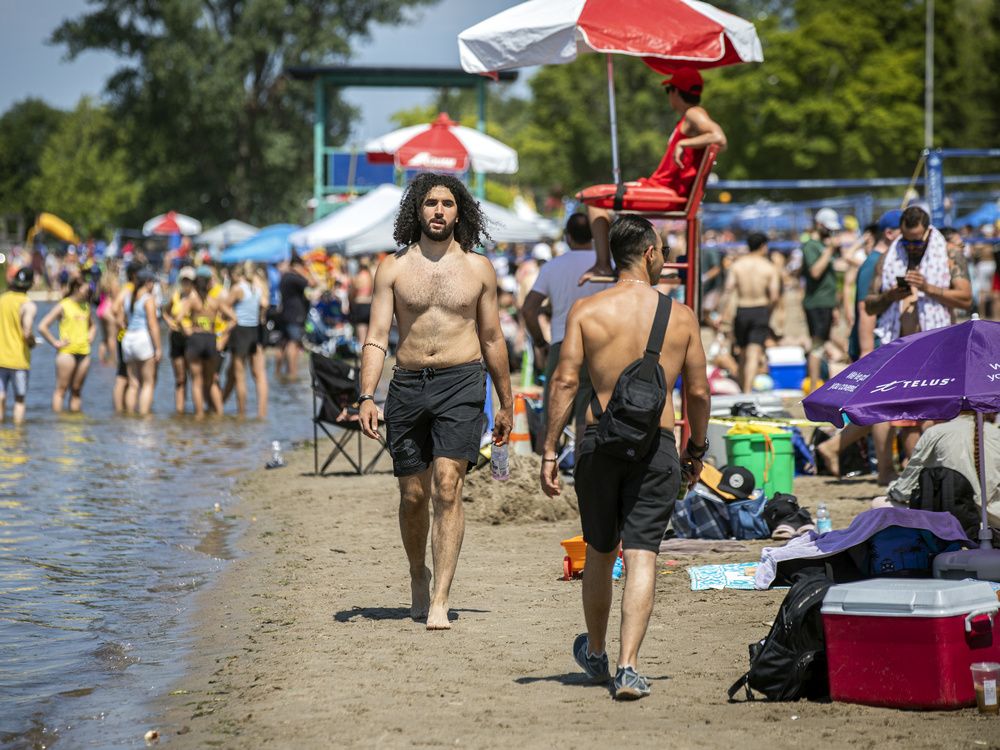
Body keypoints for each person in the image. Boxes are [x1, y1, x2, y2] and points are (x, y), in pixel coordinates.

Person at [540, 215, 710, 700]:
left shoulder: (587, 310)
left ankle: (594, 652)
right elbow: (697, 391)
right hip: (656, 446)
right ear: (651, 254)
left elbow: (566, 382)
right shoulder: (680, 316)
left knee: (599, 550)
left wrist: (550, 449)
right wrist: (695, 449)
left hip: (599, 442)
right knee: (642, 556)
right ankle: (629, 667)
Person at [357, 172, 513, 631]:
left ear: (459, 210)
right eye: (430, 203)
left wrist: (507, 400)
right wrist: (367, 394)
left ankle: (442, 597)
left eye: (447, 203)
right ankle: (417, 575)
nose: (439, 211)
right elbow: (375, 337)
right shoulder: (393, 267)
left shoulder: (479, 268)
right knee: (412, 495)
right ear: (417, 211)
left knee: (448, 484)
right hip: (406, 384)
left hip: (462, 382)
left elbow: (491, 336)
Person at [583, 67, 727, 282]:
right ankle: (616, 262)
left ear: (676, 92)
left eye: (669, 89)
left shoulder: (693, 113)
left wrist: (684, 142)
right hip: (662, 188)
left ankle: (603, 265)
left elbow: (719, 138)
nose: (668, 94)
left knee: (593, 199)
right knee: (601, 198)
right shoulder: (689, 117)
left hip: (667, 192)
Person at [865, 205, 973, 460]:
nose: (912, 247)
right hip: (901, 347)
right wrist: (891, 295)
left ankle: (934, 468)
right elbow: (869, 305)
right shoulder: (888, 256)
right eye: (907, 241)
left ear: (928, 233)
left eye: (917, 241)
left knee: (937, 412)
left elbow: (966, 299)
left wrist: (928, 287)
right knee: (904, 417)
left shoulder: (949, 254)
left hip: (939, 346)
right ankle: (902, 471)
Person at [819, 210, 902, 485]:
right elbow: (865, 307)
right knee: (881, 408)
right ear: (890, 234)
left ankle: (834, 447)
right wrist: (868, 350)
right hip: (873, 343)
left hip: (876, 341)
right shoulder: (874, 263)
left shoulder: (879, 260)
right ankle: (883, 469)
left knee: (877, 407)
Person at [521, 214, 611, 444]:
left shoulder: (553, 266)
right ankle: (581, 476)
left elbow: (529, 309)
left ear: (568, 237)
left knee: (551, 418)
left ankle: (540, 471)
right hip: (599, 347)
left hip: (562, 343)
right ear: (593, 237)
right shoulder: (608, 266)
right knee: (586, 420)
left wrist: (541, 343)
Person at [722, 232, 780, 393]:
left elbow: (728, 290)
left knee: (742, 352)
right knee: (754, 353)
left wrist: (721, 313)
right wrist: (769, 311)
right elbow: (774, 296)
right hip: (760, 309)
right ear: (763, 246)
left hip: (742, 310)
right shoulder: (769, 267)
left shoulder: (738, 265)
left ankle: (742, 389)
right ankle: (747, 392)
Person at [37, 277, 96, 413]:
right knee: (61, 389)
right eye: (86, 289)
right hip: (67, 353)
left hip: (84, 352)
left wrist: (91, 334)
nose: (88, 293)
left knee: (76, 390)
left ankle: (75, 424)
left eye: (90, 290)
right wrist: (55, 343)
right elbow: (42, 326)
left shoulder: (86, 306)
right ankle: (59, 423)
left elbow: (93, 326)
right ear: (76, 288)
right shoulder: (64, 305)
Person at [182, 267, 235, 418]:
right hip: (211, 339)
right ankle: (219, 415)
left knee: (197, 382)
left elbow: (179, 317)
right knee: (212, 381)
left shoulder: (192, 299)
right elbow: (234, 319)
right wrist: (222, 333)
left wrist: (188, 330)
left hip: (196, 338)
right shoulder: (215, 300)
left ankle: (199, 416)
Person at [801, 208, 842, 390]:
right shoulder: (811, 246)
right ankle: (814, 388)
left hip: (826, 303)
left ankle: (819, 383)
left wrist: (833, 306)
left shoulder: (824, 246)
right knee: (817, 346)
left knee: (822, 344)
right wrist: (830, 250)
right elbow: (815, 272)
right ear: (819, 225)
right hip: (816, 303)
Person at [222, 263, 268, 418]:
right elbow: (263, 306)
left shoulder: (238, 289)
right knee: (252, 374)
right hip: (253, 331)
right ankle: (260, 414)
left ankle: (241, 413)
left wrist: (233, 316)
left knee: (239, 375)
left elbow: (224, 305)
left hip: (240, 330)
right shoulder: (256, 288)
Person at [120, 268, 162, 415]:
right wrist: (158, 348)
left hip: (128, 339)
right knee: (148, 383)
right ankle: (144, 418)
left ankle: (130, 416)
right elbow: (153, 325)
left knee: (133, 384)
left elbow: (123, 320)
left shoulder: (129, 296)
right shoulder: (148, 299)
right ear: (148, 283)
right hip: (143, 338)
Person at [0, 267, 38, 424]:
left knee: (0, 397)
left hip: (0, 358)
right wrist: (32, 342)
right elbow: (27, 332)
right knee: (19, 400)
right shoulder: (28, 305)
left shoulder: (2, 299)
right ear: (31, 284)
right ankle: (18, 439)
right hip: (19, 360)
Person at [162, 266, 195, 414]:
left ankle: (196, 411)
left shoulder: (196, 297)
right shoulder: (176, 295)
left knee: (194, 377)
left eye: (189, 280)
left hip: (191, 338)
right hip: (176, 337)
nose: (186, 283)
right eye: (184, 280)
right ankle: (180, 412)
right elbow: (165, 312)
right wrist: (170, 323)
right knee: (180, 378)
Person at [277, 254, 314, 380]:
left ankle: (278, 372)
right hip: (295, 315)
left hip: (286, 314)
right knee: (294, 343)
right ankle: (292, 372)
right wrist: (307, 270)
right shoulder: (293, 277)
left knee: (284, 344)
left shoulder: (285, 277)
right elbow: (312, 283)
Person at [348, 258, 374, 347]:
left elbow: (352, 291)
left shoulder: (358, 277)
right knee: (370, 333)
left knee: (361, 332)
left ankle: (363, 352)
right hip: (370, 303)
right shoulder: (371, 276)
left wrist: (350, 302)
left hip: (360, 303)